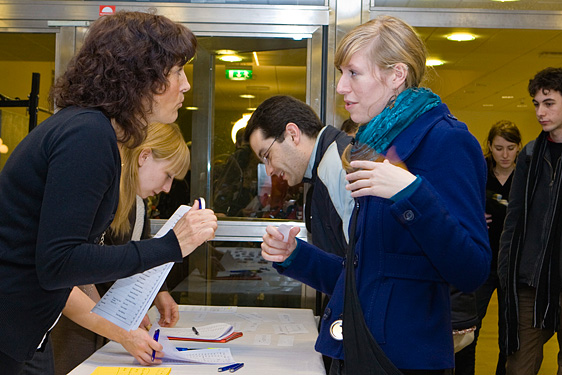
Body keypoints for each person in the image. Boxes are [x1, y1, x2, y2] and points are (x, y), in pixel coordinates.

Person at [259, 15, 490, 374]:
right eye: (341, 73)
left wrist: (411, 193)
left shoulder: (447, 141)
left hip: (399, 360)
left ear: (396, 75)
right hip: (357, 347)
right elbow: (366, 271)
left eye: (353, 73)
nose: (340, 87)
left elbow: (472, 269)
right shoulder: (372, 146)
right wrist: (296, 256)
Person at [0, 11, 218, 373]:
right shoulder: (88, 134)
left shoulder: (89, 128)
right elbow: (60, 263)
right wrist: (170, 246)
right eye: (177, 71)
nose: (185, 85)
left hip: (25, 329)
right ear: (142, 74)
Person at [49, 122, 190, 374]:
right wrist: (123, 329)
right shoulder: (94, 191)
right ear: (144, 156)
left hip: (99, 317)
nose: (168, 188)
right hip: (66, 322)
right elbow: (69, 275)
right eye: (168, 175)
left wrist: (157, 293)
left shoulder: (136, 202)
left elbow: (137, 251)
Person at [498, 67, 562, 375]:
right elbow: (514, 220)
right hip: (531, 284)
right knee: (519, 367)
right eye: (536, 103)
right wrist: (506, 269)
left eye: (548, 103)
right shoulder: (530, 155)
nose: (540, 111)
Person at [244, 95, 354, 258]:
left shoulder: (337, 166)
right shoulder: (321, 170)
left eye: (267, 156)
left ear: (292, 134)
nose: (269, 171)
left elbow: (362, 268)